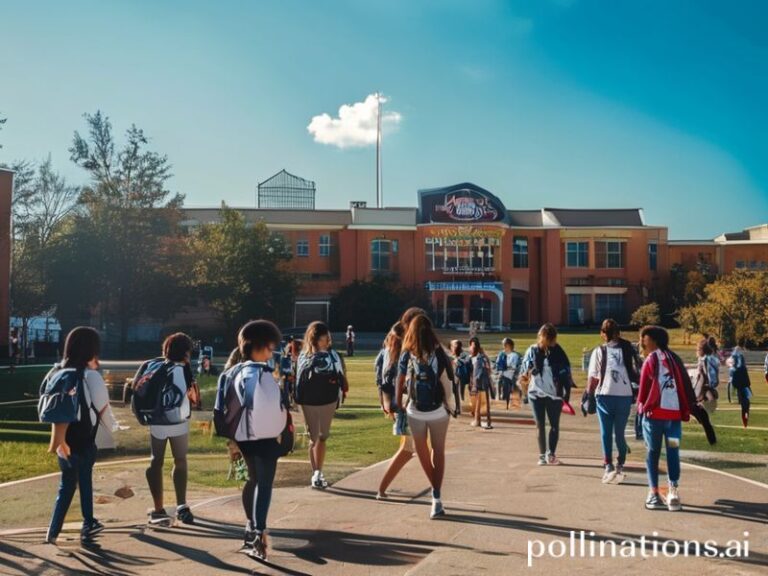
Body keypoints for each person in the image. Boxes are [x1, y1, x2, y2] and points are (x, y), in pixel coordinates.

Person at [219, 319, 286, 560]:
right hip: (265, 437)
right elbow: (268, 406)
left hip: (244, 437)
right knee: (264, 484)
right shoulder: (261, 373)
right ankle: (258, 533)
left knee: (254, 480)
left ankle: (252, 527)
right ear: (260, 346)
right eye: (269, 346)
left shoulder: (233, 372)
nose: (272, 350)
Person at [45, 327, 113, 544]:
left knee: (66, 485)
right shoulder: (90, 376)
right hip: (84, 439)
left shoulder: (56, 373)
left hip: (62, 438)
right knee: (85, 481)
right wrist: (114, 430)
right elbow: (102, 409)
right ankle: (88, 522)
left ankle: (53, 531)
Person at [396, 314, 456, 518]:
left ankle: (435, 493)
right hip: (438, 410)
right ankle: (436, 498)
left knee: (422, 454)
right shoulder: (440, 352)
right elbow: (450, 379)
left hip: (415, 410)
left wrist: (399, 403)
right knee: (438, 452)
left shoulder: (407, 352)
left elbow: (400, 380)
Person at [637, 325, 691, 512]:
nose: (642, 342)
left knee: (652, 453)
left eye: (645, 338)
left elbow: (643, 390)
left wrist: (641, 409)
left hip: (654, 417)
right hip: (674, 417)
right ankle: (673, 491)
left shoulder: (651, 359)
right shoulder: (675, 359)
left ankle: (653, 493)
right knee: (673, 450)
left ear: (653, 340)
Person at [143, 333, 195, 525]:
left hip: (157, 421)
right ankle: (181, 505)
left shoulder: (157, 367)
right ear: (185, 352)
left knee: (156, 461)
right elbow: (182, 395)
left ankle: (158, 508)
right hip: (177, 421)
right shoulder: (180, 369)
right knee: (180, 460)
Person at [375, 307, 427, 499]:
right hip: (408, 404)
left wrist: (385, 402)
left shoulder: (389, 348)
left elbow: (380, 378)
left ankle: (382, 489)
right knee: (408, 450)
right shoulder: (406, 349)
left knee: (412, 448)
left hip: (400, 404)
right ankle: (381, 489)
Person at [586, 319, 642, 484]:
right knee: (619, 434)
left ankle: (608, 465)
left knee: (606, 433)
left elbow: (593, 377)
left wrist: (589, 395)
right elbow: (637, 371)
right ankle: (620, 462)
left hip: (604, 394)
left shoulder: (599, 351)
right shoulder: (628, 349)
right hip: (624, 396)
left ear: (602, 334)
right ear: (618, 332)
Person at [296, 321, 348, 490]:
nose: (326, 341)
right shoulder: (306, 356)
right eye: (323, 338)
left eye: (327, 338)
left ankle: (317, 472)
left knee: (320, 436)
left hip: (324, 399)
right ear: (315, 339)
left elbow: (341, 377)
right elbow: (299, 380)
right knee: (316, 437)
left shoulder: (331, 355)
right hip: (313, 400)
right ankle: (317, 473)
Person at [521, 323, 572, 466]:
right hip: (537, 393)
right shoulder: (533, 351)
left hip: (552, 394)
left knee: (551, 425)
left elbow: (566, 372)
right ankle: (544, 456)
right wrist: (528, 372)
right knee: (543, 425)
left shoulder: (557, 352)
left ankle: (549, 455)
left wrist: (566, 394)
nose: (554, 341)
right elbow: (524, 372)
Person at [469, 337, 493, 429]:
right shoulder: (483, 357)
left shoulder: (478, 358)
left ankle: (479, 421)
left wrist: (474, 385)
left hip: (479, 384)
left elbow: (477, 374)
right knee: (482, 403)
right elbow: (489, 370)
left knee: (479, 403)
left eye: (472, 346)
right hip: (484, 383)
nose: (471, 348)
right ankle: (484, 421)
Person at [728, 345, 752, 428]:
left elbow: (734, 369)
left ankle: (745, 421)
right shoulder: (739, 358)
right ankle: (745, 421)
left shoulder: (736, 359)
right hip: (742, 382)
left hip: (740, 382)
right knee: (746, 402)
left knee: (744, 402)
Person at [495, 338, 522, 411]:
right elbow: (497, 365)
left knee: (516, 384)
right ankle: (499, 397)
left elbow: (518, 366)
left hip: (513, 375)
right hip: (503, 374)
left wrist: (513, 370)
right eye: (504, 345)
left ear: (509, 345)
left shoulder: (516, 355)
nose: (504, 346)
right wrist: (501, 370)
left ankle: (516, 401)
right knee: (499, 380)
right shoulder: (501, 354)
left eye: (505, 345)